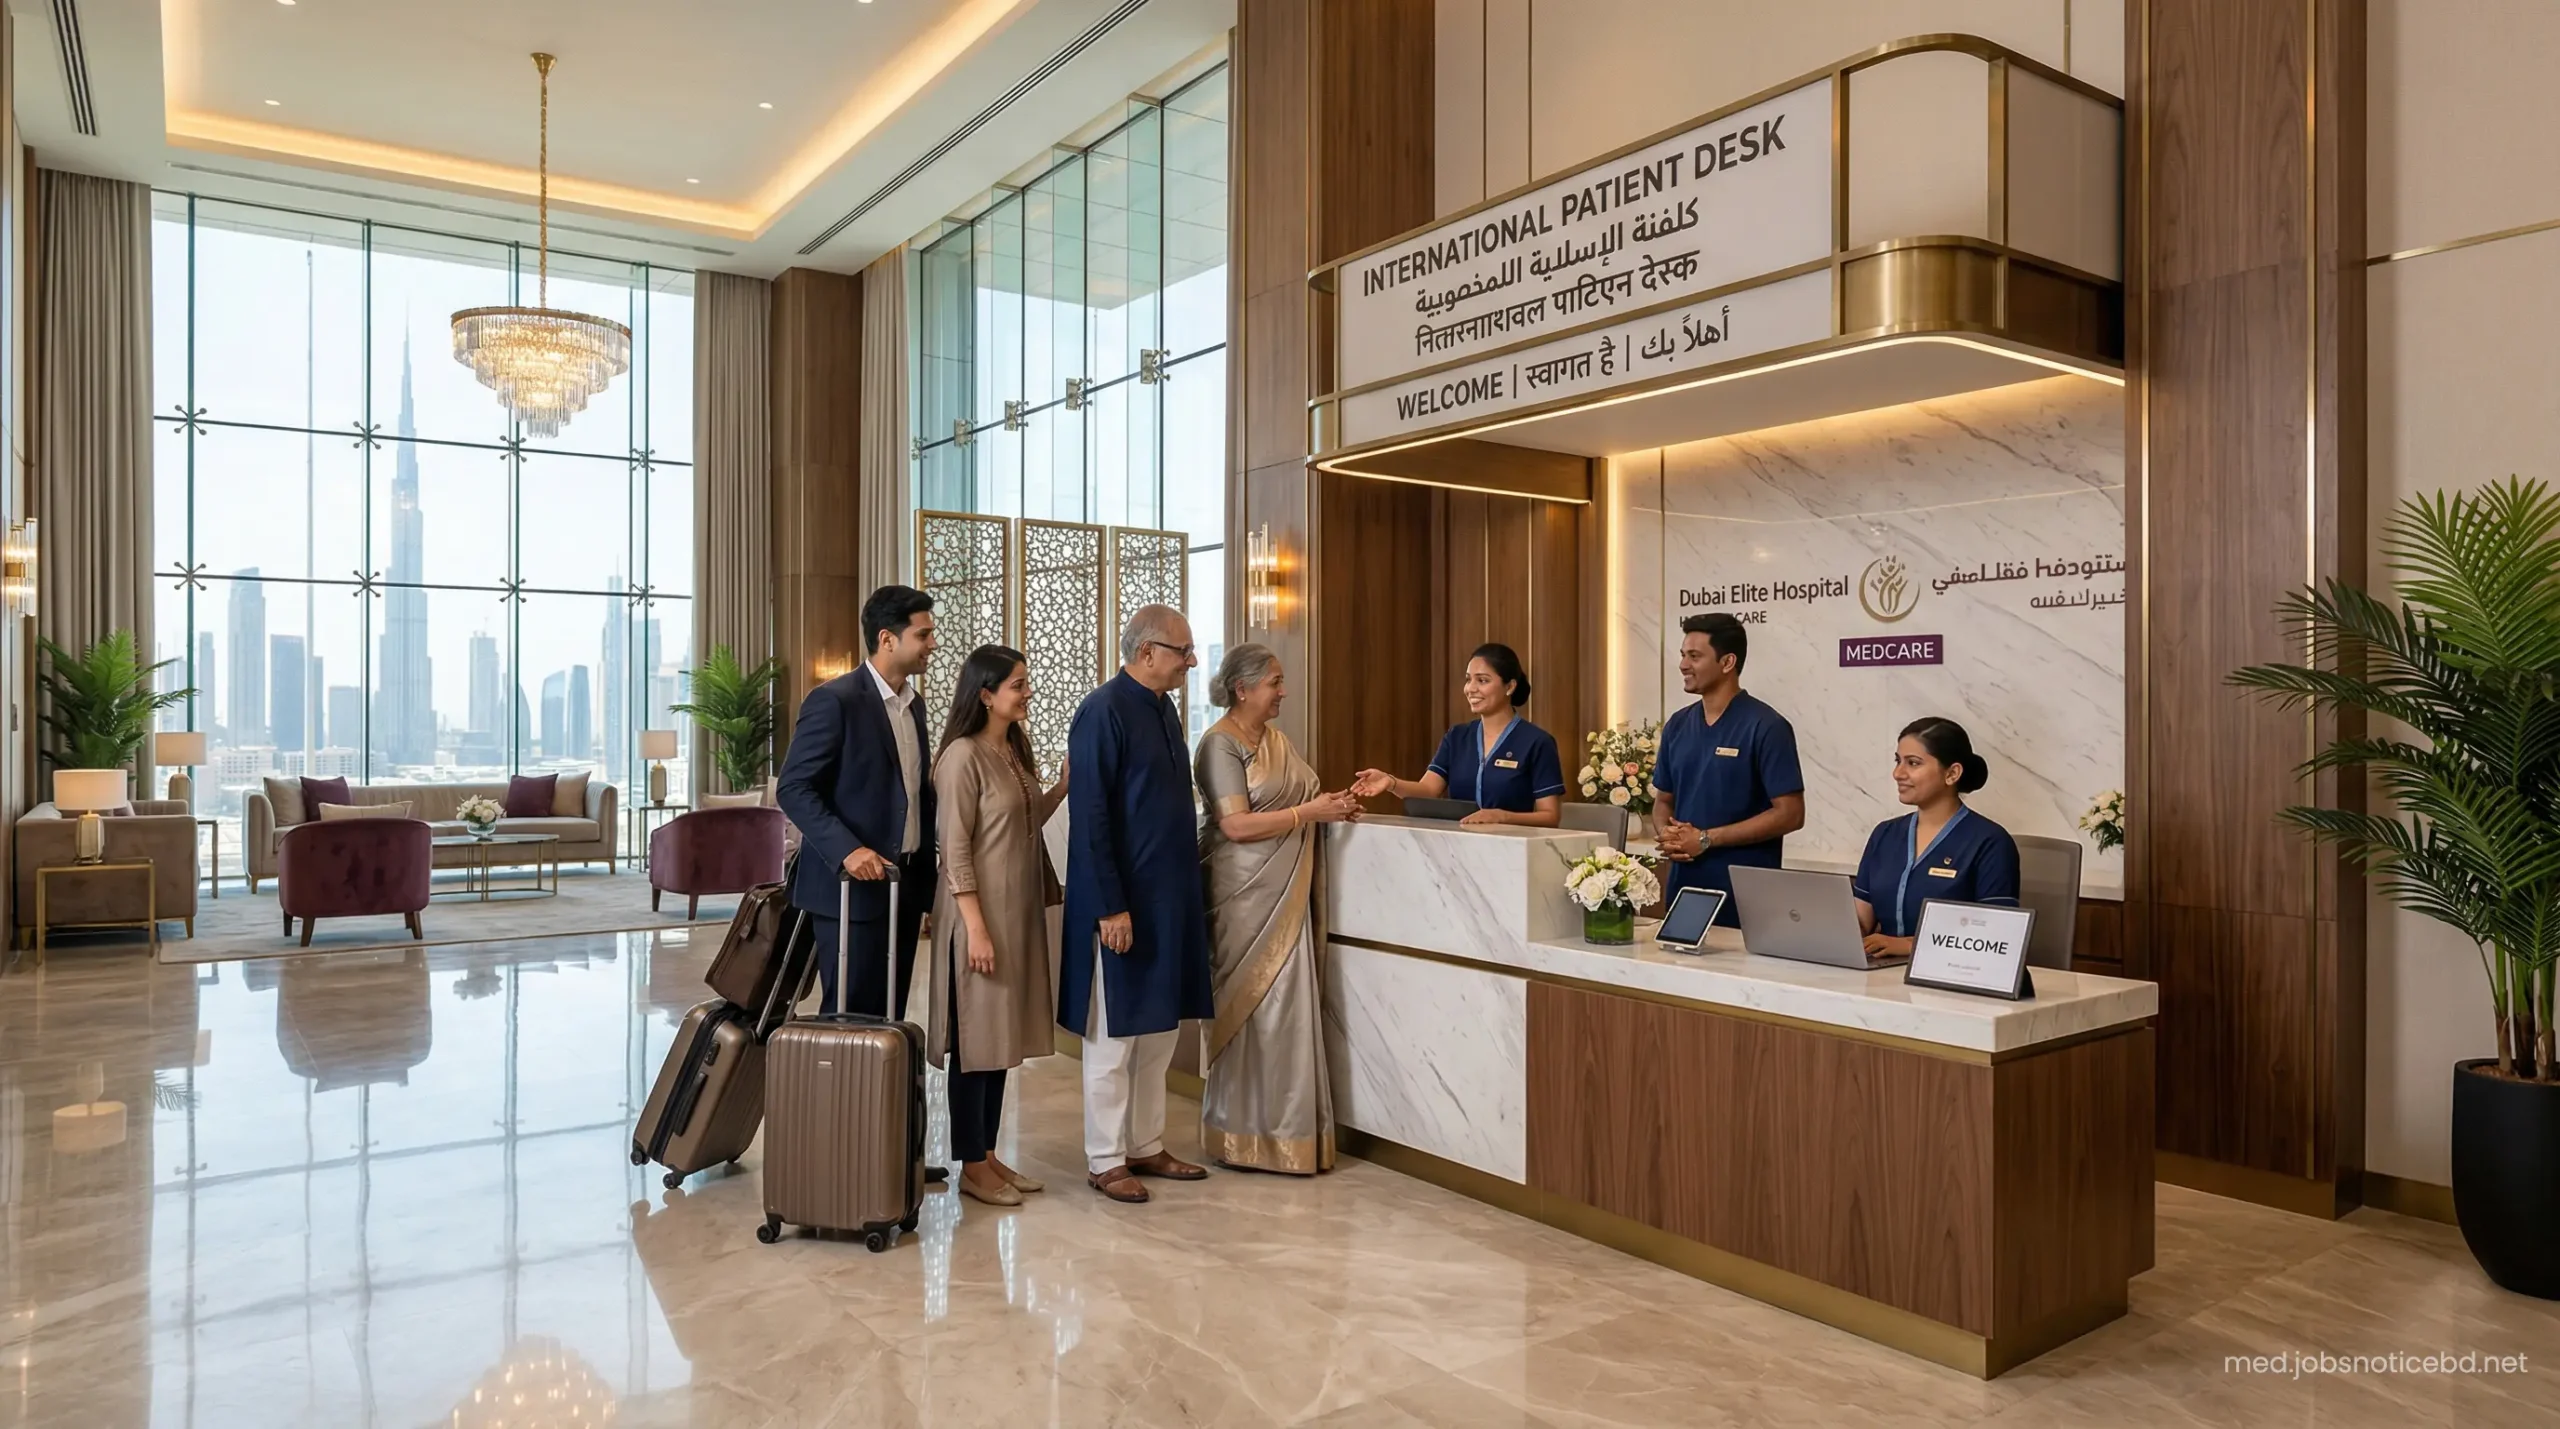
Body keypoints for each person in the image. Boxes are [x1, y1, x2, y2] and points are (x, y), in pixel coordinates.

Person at [1060, 604, 1215, 1204]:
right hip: (1120, 904)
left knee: (1159, 1033)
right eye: (1183, 652)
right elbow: (1091, 815)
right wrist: (1110, 906)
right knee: (1113, 1036)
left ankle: (1146, 1144)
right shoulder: (1102, 711)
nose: (1192, 662)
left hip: (1168, 902)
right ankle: (1105, 1158)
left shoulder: (1165, 710)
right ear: (1146, 652)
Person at [1194, 644, 1358, 1174]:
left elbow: (1300, 800)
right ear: (1242, 689)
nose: (1283, 692)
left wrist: (1336, 802)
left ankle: (1289, 1135)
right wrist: (1308, 811)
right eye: (1275, 682)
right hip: (1242, 895)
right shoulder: (1219, 745)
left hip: (1286, 892)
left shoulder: (1278, 742)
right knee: (1253, 1008)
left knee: (1288, 1008)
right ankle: (1239, 1133)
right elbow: (1236, 826)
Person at [926, 645, 1069, 1206]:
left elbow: (1024, 824)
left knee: (1000, 1038)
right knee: (976, 1041)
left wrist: (1059, 788)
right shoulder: (963, 756)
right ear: (985, 694)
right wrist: (975, 928)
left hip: (1015, 916)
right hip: (977, 917)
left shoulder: (1010, 748)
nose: (1027, 691)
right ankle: (970, 1164)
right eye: (1017, 684)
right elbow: (954, 849)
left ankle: (986, 1154)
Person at [776, 585, 938, 1018]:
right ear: (887, 639)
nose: (933, 645)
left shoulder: (915, 706)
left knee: (889, 1020)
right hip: (849, 892)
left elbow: (914, 795)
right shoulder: (835, 701)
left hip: (902, 889)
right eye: (923, 635)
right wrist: (848, 849)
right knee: (848, 1022)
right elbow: (793, 787)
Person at [1650, 613, 1804, 925]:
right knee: (1680, 970)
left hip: (1747, 897)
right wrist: (1667, 835)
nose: (1682, 665)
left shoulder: (1766, 726)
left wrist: (1706, 838)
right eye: (1682, 655)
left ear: (1727, 662)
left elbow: (1791, 813)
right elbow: (1663, 800)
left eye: (1694, 656)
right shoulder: (1677, 725)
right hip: (1685, 890)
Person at [1853, 717, 2020, 959]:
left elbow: (1996, 936)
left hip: (1953, 979)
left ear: (1952, 773)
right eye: (1898, 761)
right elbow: (1861, 920)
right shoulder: (1884, 835)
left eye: (1913, 763)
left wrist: (1910, 946)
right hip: (1880, 976)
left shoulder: (1991, 842)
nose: (1898, 773)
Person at [1351, 643, 1564, 827]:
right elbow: (1428, 790)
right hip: (1459, 851)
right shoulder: (1457, 737)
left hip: (1511, 852)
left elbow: (1550, 816)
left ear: (1509, 686)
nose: (1470, 688)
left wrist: (1502, 816)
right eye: (1468, 679)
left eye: (1482, 681)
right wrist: (1390, 782)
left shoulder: (1537, 742)